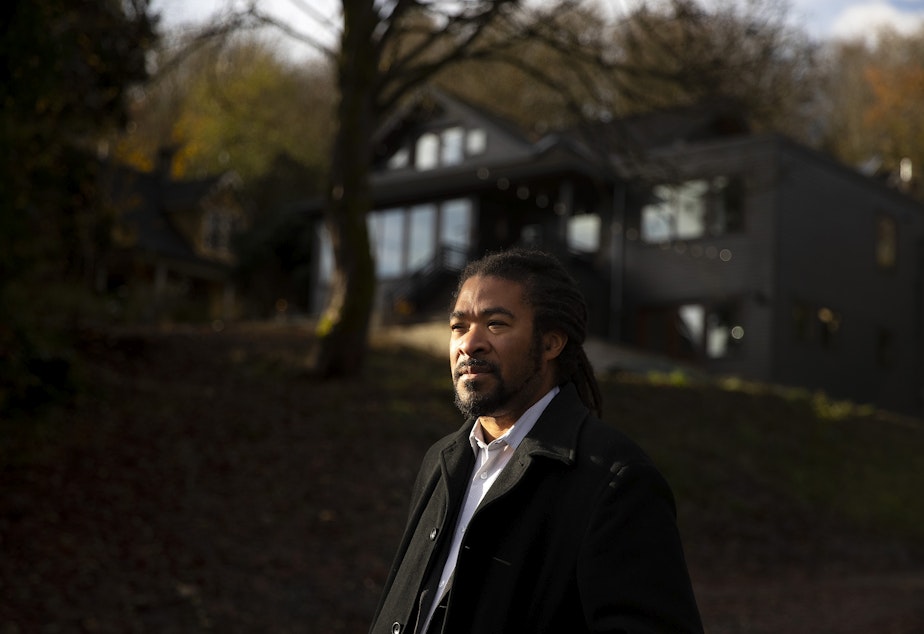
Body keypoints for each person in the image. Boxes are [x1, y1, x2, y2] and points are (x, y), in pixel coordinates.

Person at [369, 248, 703, 634]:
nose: (469, 343)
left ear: (550, 344)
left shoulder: (616, 480)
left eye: (495, 324)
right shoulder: (441, 460)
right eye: (459, 327)